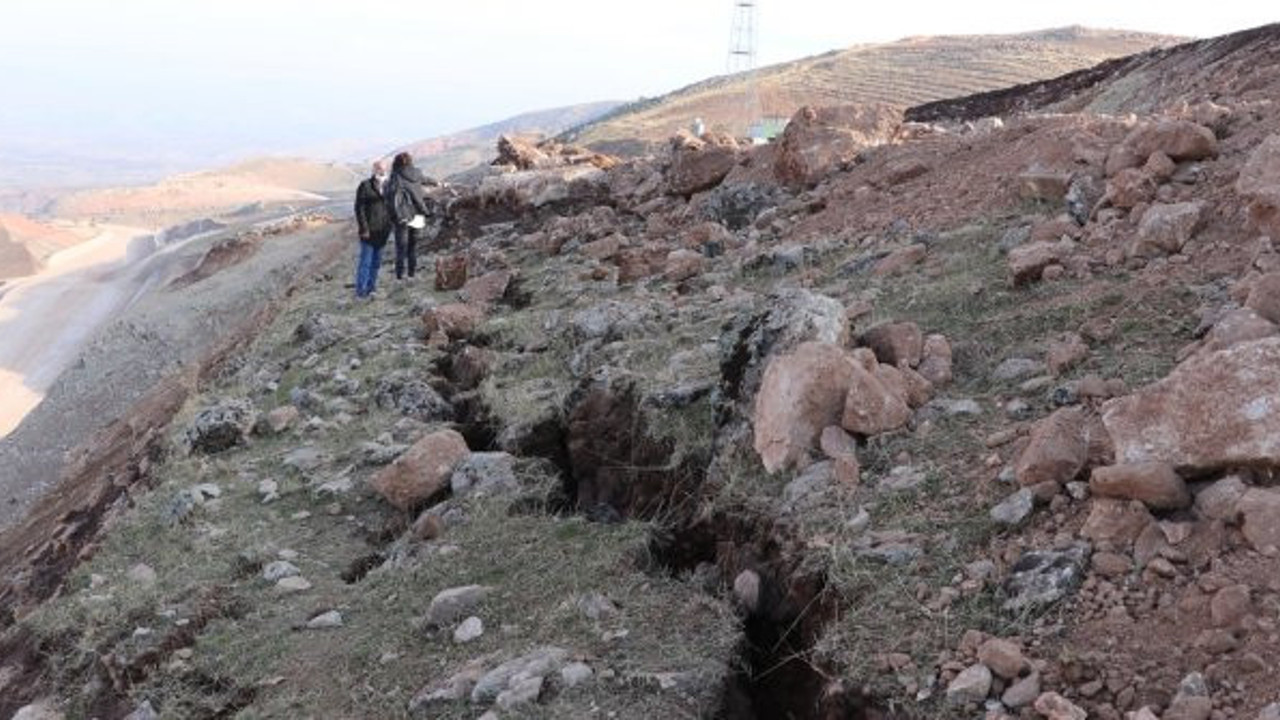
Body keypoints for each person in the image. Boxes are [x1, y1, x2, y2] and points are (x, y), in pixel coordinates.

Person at [386, 152, 437, 280]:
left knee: (400, 248)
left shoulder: (395, 176)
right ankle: (412, 274)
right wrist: (438, 183)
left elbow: (389, 196)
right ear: (410, 161)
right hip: (418, 215)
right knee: (412, 247)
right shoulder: (417, 173)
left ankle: (399, 277)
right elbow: (427, 180)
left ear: (396, 163)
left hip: (402, 216)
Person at [353, 160, 393, 298]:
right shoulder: (365, 186)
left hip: (383, 232)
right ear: (374, 169)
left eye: (384, 168)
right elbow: (359, 209)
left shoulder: (390, 186)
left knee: (376, 263)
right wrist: (364, 228)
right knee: (365, 262)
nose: (381, 170)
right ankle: (360, 292)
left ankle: (372, 288)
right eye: (379, 168)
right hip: (368, 232)